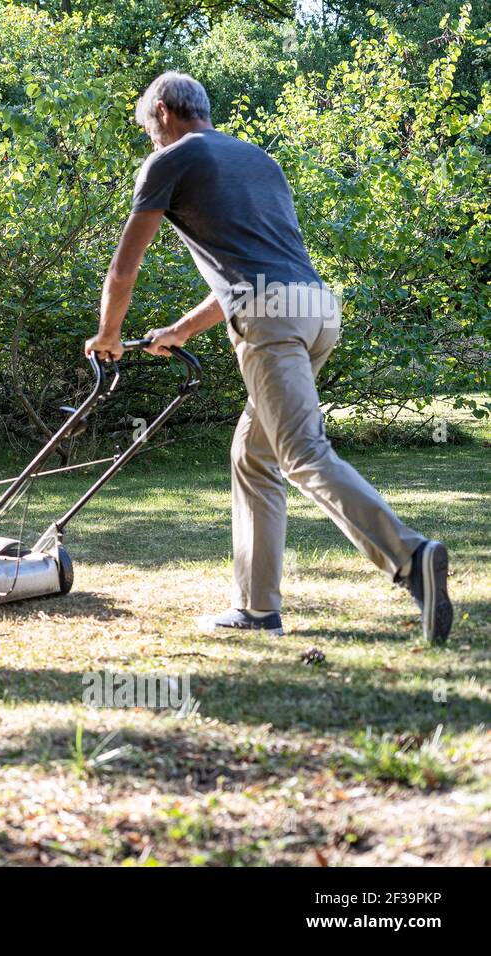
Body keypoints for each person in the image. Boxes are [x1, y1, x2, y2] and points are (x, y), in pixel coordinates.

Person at [83, 71, 452, 643]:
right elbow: (256, 266)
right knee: (255, 454)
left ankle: (410, 557)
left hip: (271, 318)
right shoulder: (259, 160)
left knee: (303, 454)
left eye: (148, 129)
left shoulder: (169, 161)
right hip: (316, 307)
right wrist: (181, 329)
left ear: (162, 113)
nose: (151, 141)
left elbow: (124, 264)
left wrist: (109, 333)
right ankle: (256, 609)